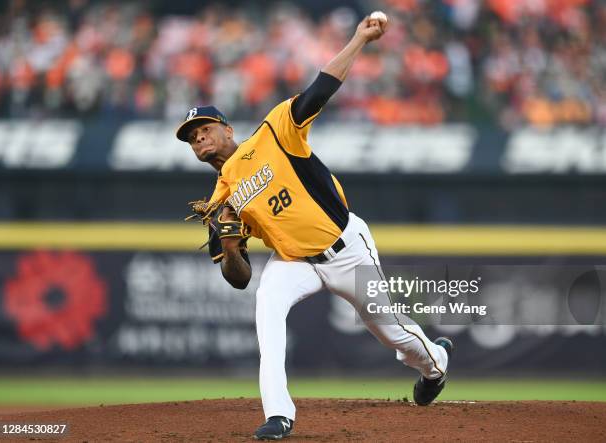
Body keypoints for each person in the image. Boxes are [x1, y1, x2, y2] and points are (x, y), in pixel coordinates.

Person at [176, 14, 452, 441]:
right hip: (293, 262)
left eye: (204, 128)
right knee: (266, 309)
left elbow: (322, 87)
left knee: (391, 331)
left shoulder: (274, 131)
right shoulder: (219, 203)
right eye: (192, 137)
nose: (198, 138)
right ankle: (279, 414)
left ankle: (434, 363)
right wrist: (231, 247)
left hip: (346, 247)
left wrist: (359, 38)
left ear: (227, 129)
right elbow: (238, 278)